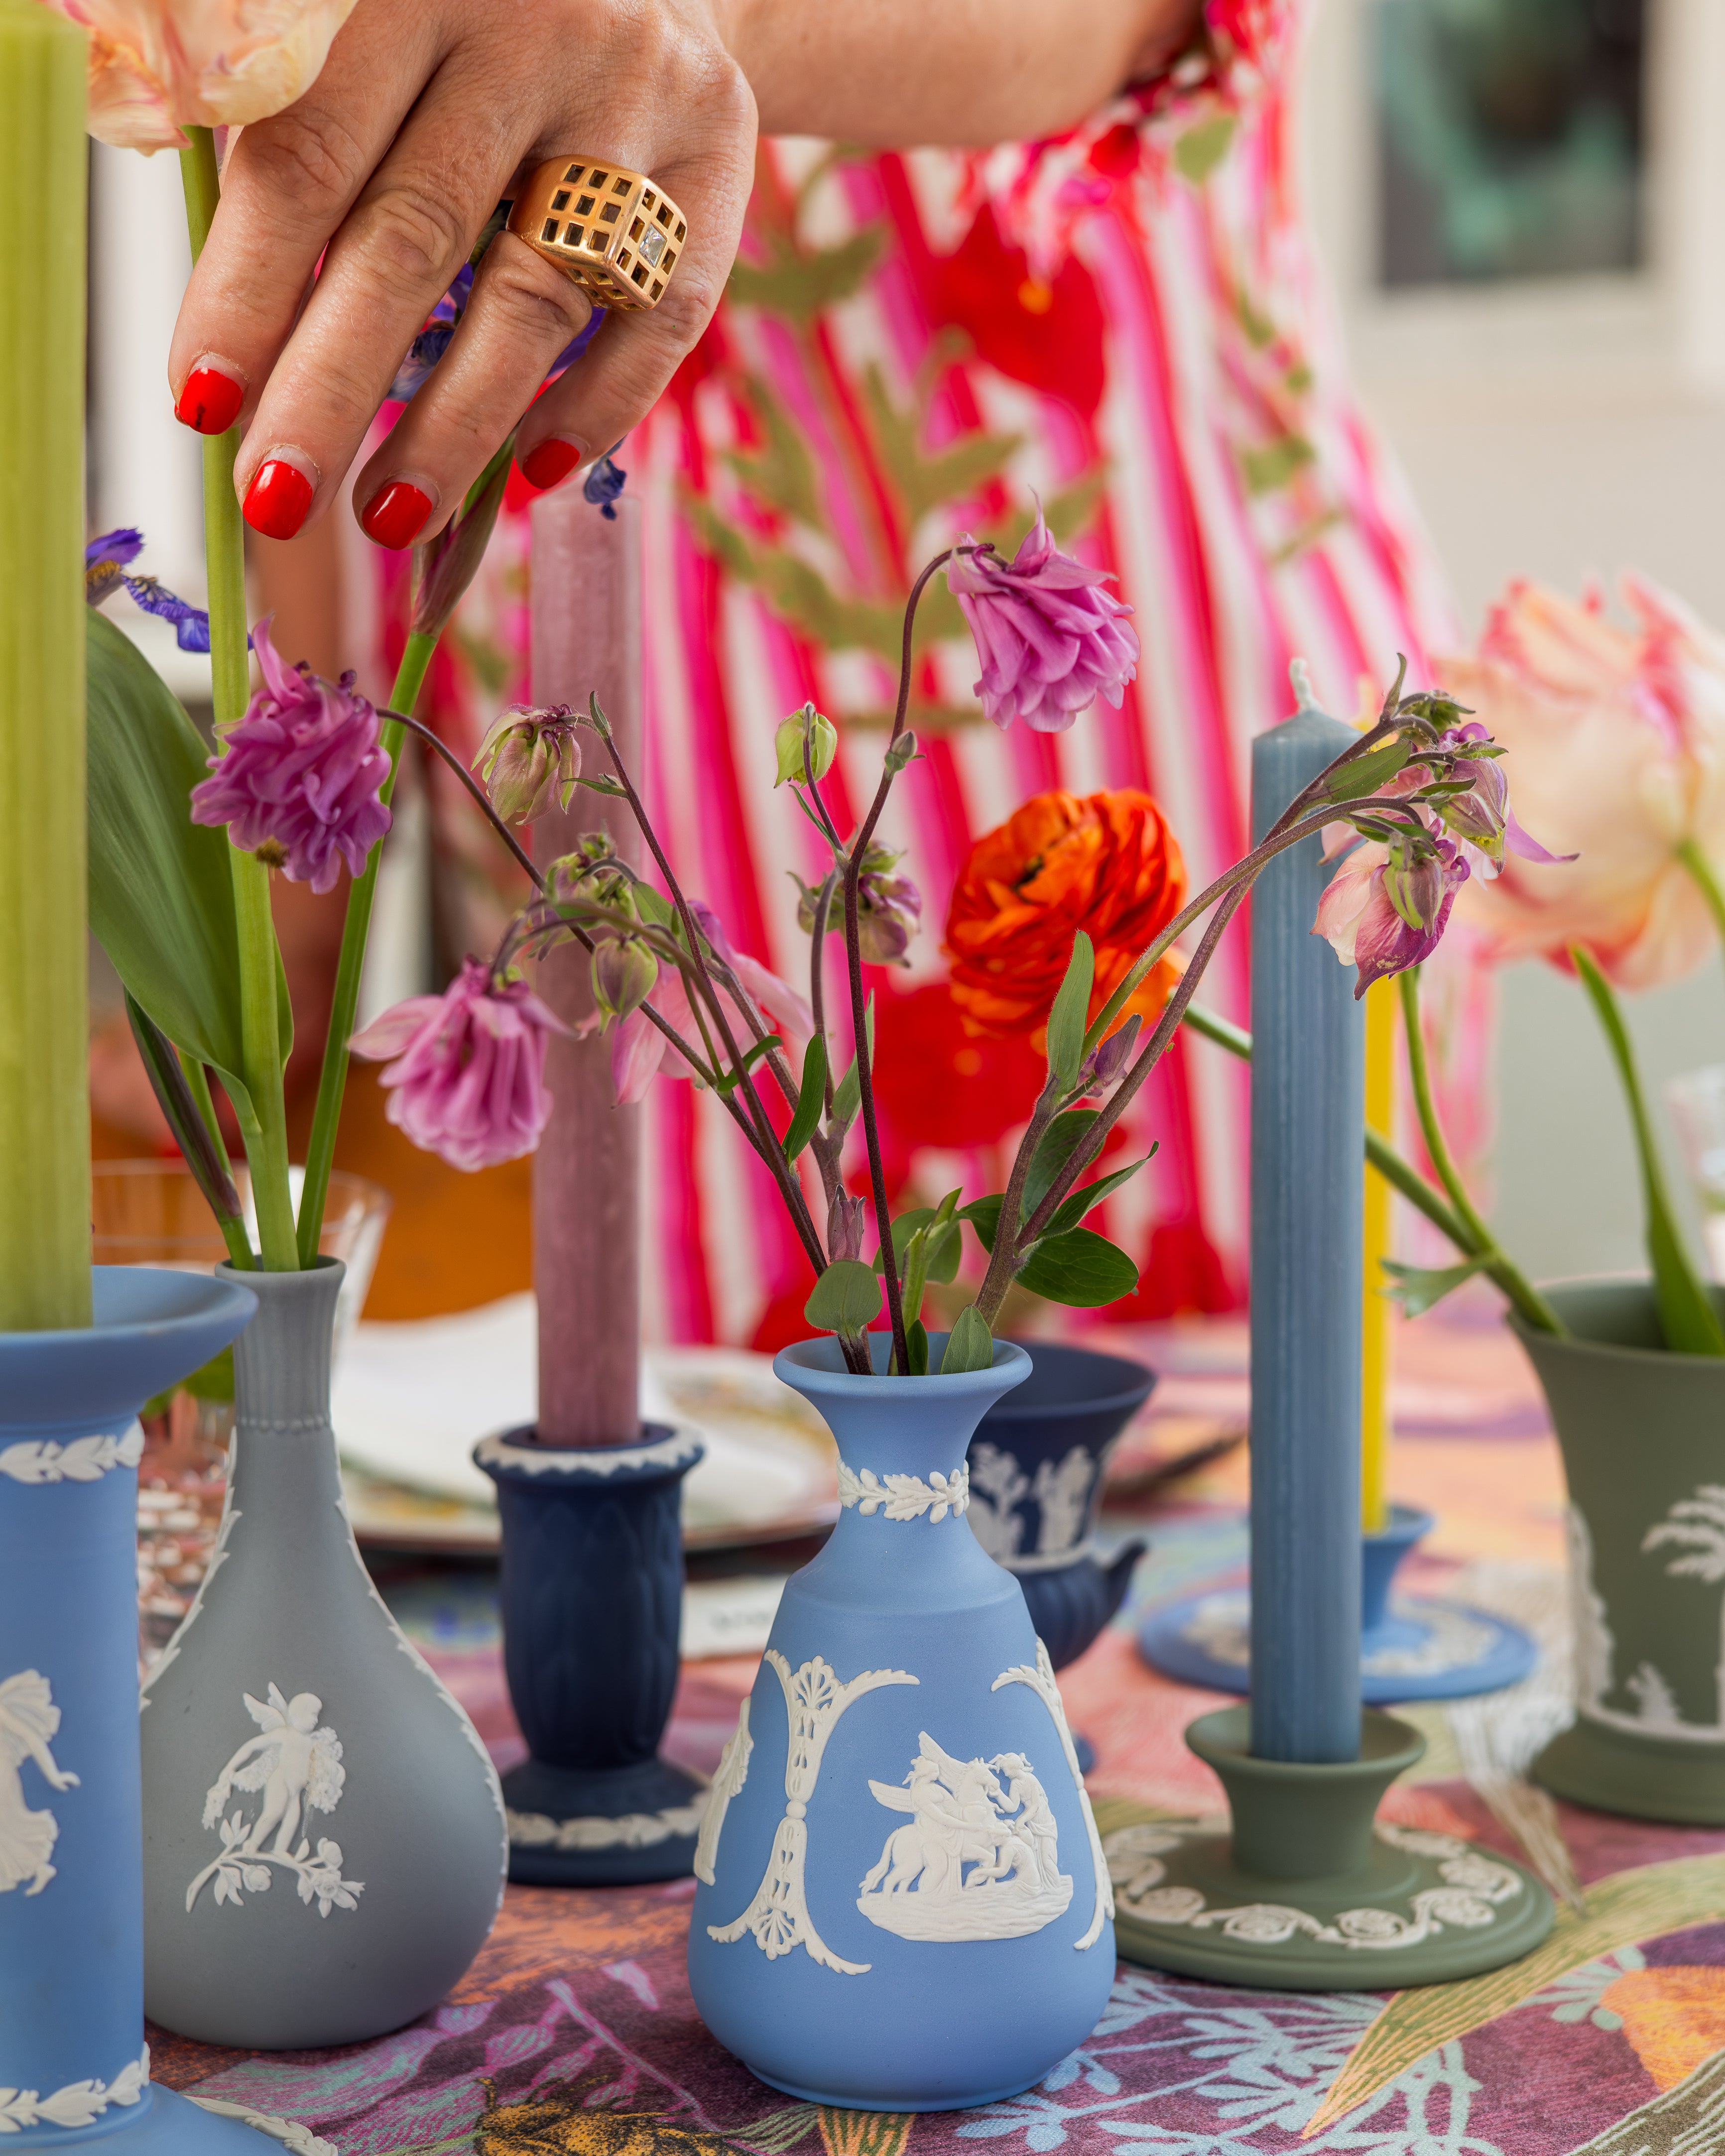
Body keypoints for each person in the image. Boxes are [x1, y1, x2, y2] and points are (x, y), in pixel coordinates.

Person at [165, 0, 1459, 1338]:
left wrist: (680, 23)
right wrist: (297, 883)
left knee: (1224, 1476)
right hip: (620, 778)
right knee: (709, 1476)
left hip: (1130, 697)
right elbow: (293, 183)